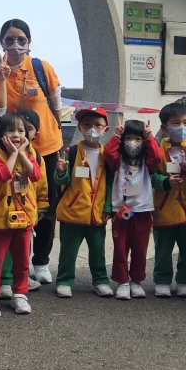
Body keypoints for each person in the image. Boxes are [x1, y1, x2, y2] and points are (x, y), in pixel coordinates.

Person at [0, 19, 64, 285]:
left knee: (46, 204)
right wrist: (2, 79)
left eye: (21, 39)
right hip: (13, 149)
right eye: (9, 39)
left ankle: (40, 261)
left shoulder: (41, 68)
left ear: (29, 42)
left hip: (47, 146)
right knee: (14, 202)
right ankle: (14, 267)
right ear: (1, 43)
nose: (15, 45)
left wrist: (58, 131)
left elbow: (57, 103)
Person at [0, 112, 43, 318]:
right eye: (10, 130)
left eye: (21, 131)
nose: (16, 135)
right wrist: (14, 154)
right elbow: (2, 175)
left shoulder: (30, 154)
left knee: (22, 261)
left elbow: (36, 175)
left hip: (24, 216)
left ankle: (20, 294)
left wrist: (22, 154)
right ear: (0, 134)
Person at [51, 106, 113, 298]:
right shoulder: (70, 152)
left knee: (98, 251)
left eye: (97, 125)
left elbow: (110, 183)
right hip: (73, 212)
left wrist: (108, 207)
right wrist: (61, 171)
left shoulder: (108, 156)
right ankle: (64, 280)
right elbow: (62, 181)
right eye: (87, 124)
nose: (92, 129)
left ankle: (101, 280)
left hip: (97, 212)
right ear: (79, 127)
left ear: (106, 129)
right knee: (68, 251)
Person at [103, 119, 164, 299]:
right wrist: (116, 136)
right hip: (120, 212)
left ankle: (136, 281)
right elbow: (108, 153)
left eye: (137, 139)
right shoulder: (118, 161)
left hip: (142, 211)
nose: (132, 143)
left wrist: (149, 138)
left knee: (140, 249)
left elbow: (158, 157)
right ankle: (122, 281)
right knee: (120, 249)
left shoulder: (146, 162)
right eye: (128, 138)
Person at [152, 101, 186, 298]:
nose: (182, 127)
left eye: (185, 122)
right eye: (176, 123)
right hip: (164, 209)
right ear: (164, 127)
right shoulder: (157, 152)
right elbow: (150, 177)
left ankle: (185, 280)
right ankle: (162, 280)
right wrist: (165, 182)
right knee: (163, 250)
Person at [0, 108, 49, 297]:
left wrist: (42, 205)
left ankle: (22, 279)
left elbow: (41, 182)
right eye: (14, 129)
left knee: (23, 249)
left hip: (26, 209)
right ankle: (5, 280)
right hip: (4, 209)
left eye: (26, 129)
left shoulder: (36, 156)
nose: (19, 134)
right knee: (5, 250)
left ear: (34, 133)